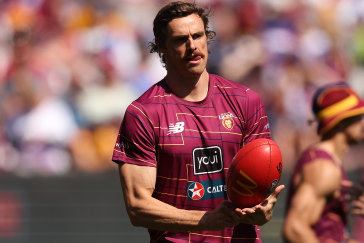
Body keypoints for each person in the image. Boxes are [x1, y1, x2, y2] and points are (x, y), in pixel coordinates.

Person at [112, 1, 284, 242]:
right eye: (181, 39)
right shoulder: (143, 113)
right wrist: (205, 219)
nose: (192, 46)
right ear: (161, 46)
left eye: (198, 36)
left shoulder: (246, 100)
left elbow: (262, 176)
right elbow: (138, 206)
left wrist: (265, 208)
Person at [283, 82, 364, 243]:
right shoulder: (323, 168)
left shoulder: (328, 162)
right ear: (342, 121)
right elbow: (294, 229)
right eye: (359, 116)